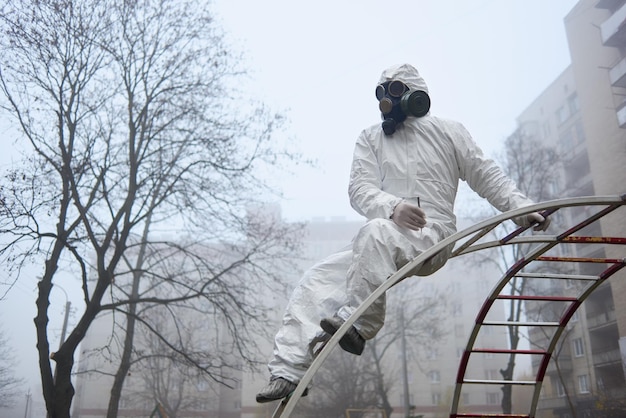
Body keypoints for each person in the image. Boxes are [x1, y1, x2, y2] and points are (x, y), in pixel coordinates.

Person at [255, 63, 550, 403]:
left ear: (415, 93)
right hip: (382, 238)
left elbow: (486, 174)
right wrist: (392, 206)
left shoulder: (449, 132)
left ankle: (360, 324)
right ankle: (288, 372)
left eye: (394, 91)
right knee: (316, 279)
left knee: (375, 232)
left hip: (432, 234)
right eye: (381, 93)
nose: (386, 100)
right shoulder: (372, 138)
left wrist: (522, 208)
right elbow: (359, 188)